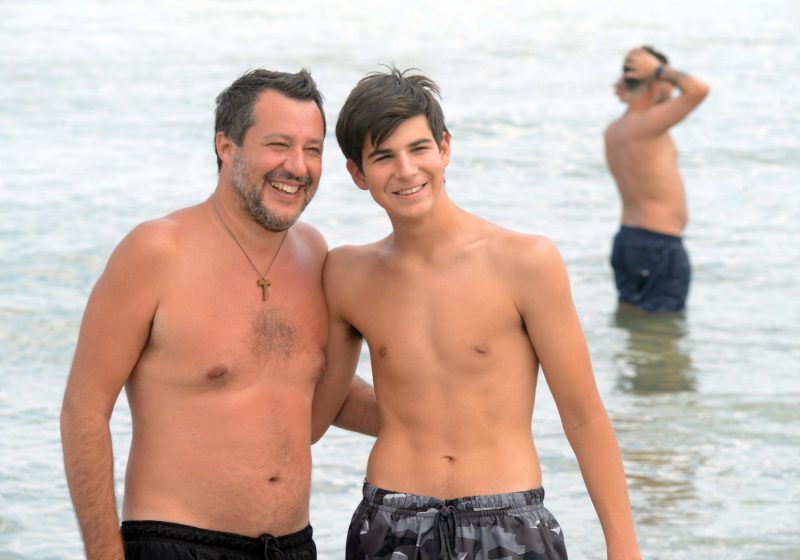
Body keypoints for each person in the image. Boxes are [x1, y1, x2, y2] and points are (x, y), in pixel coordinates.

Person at [312, 67, 641, 559]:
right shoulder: (346, 273)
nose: (406, 170)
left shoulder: (525, 262)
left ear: (444, 147)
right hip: (391, 519)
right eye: (383, 157)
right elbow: (318, 411)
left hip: (507, 518)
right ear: (358, 174)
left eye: (418, 148)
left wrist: (623, 545)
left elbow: (583, 416)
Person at [61, 68, 377, 560]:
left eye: (312, 150)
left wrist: (438, 415)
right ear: (226, 146)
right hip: (178, 544)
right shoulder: (156, 252)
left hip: (294, 546)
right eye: (278, 145)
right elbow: (84, 411)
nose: (297, 166)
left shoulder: (314, 252)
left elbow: (315, 387)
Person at [605, 46, 710, 313]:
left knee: (633, 319)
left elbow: (652, 105)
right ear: (655, 83)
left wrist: (639, 89)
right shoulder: (648, 124)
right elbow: (698, 90)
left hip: (627, 240)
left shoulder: (615, 130)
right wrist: (660, 70)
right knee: (664, 331)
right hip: (659, 244)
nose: (673, 88)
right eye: (667, 81)